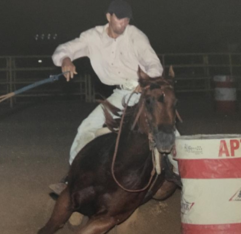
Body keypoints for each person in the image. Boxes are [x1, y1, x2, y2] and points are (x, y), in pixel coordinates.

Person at [49, 0, 180, 195]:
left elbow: (153, 63)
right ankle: (72, 179)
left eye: (127, 19)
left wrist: (145, 84)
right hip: (120, 93)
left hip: (144, 92)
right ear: (108, 17)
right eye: (120, 18)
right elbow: (63, 49)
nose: (124, 22)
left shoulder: (135, 36)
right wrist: (66, 60)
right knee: (86, 127)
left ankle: (183, 173)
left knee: (168, 130)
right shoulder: (92, 37)